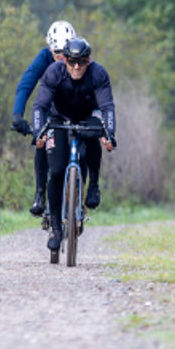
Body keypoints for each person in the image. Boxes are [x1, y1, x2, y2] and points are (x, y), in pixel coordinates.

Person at [29, 37, 117, 252]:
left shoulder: (98, 73)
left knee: (94, 133)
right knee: (57, 171)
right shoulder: (53, 72)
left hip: (88, 115)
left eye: (82, 62)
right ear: (64, 60)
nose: (77, 67)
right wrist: (38, 132)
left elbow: (107, 107)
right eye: (71, 62)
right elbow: (40, 106)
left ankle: (93, 185)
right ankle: (57, 230)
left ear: (89, 60)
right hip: (60, 118)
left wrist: (109, 134)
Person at [11, 21, 75, 217]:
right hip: (49, 110)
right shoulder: (43, 57)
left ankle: (79, 192)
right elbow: (26, 85)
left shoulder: (79, 56)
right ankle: (40, 193)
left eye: (65, 54)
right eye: (57, 54)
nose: (61, 59)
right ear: (50, 48)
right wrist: (17, 116)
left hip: (74, 108)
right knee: (42, 137)